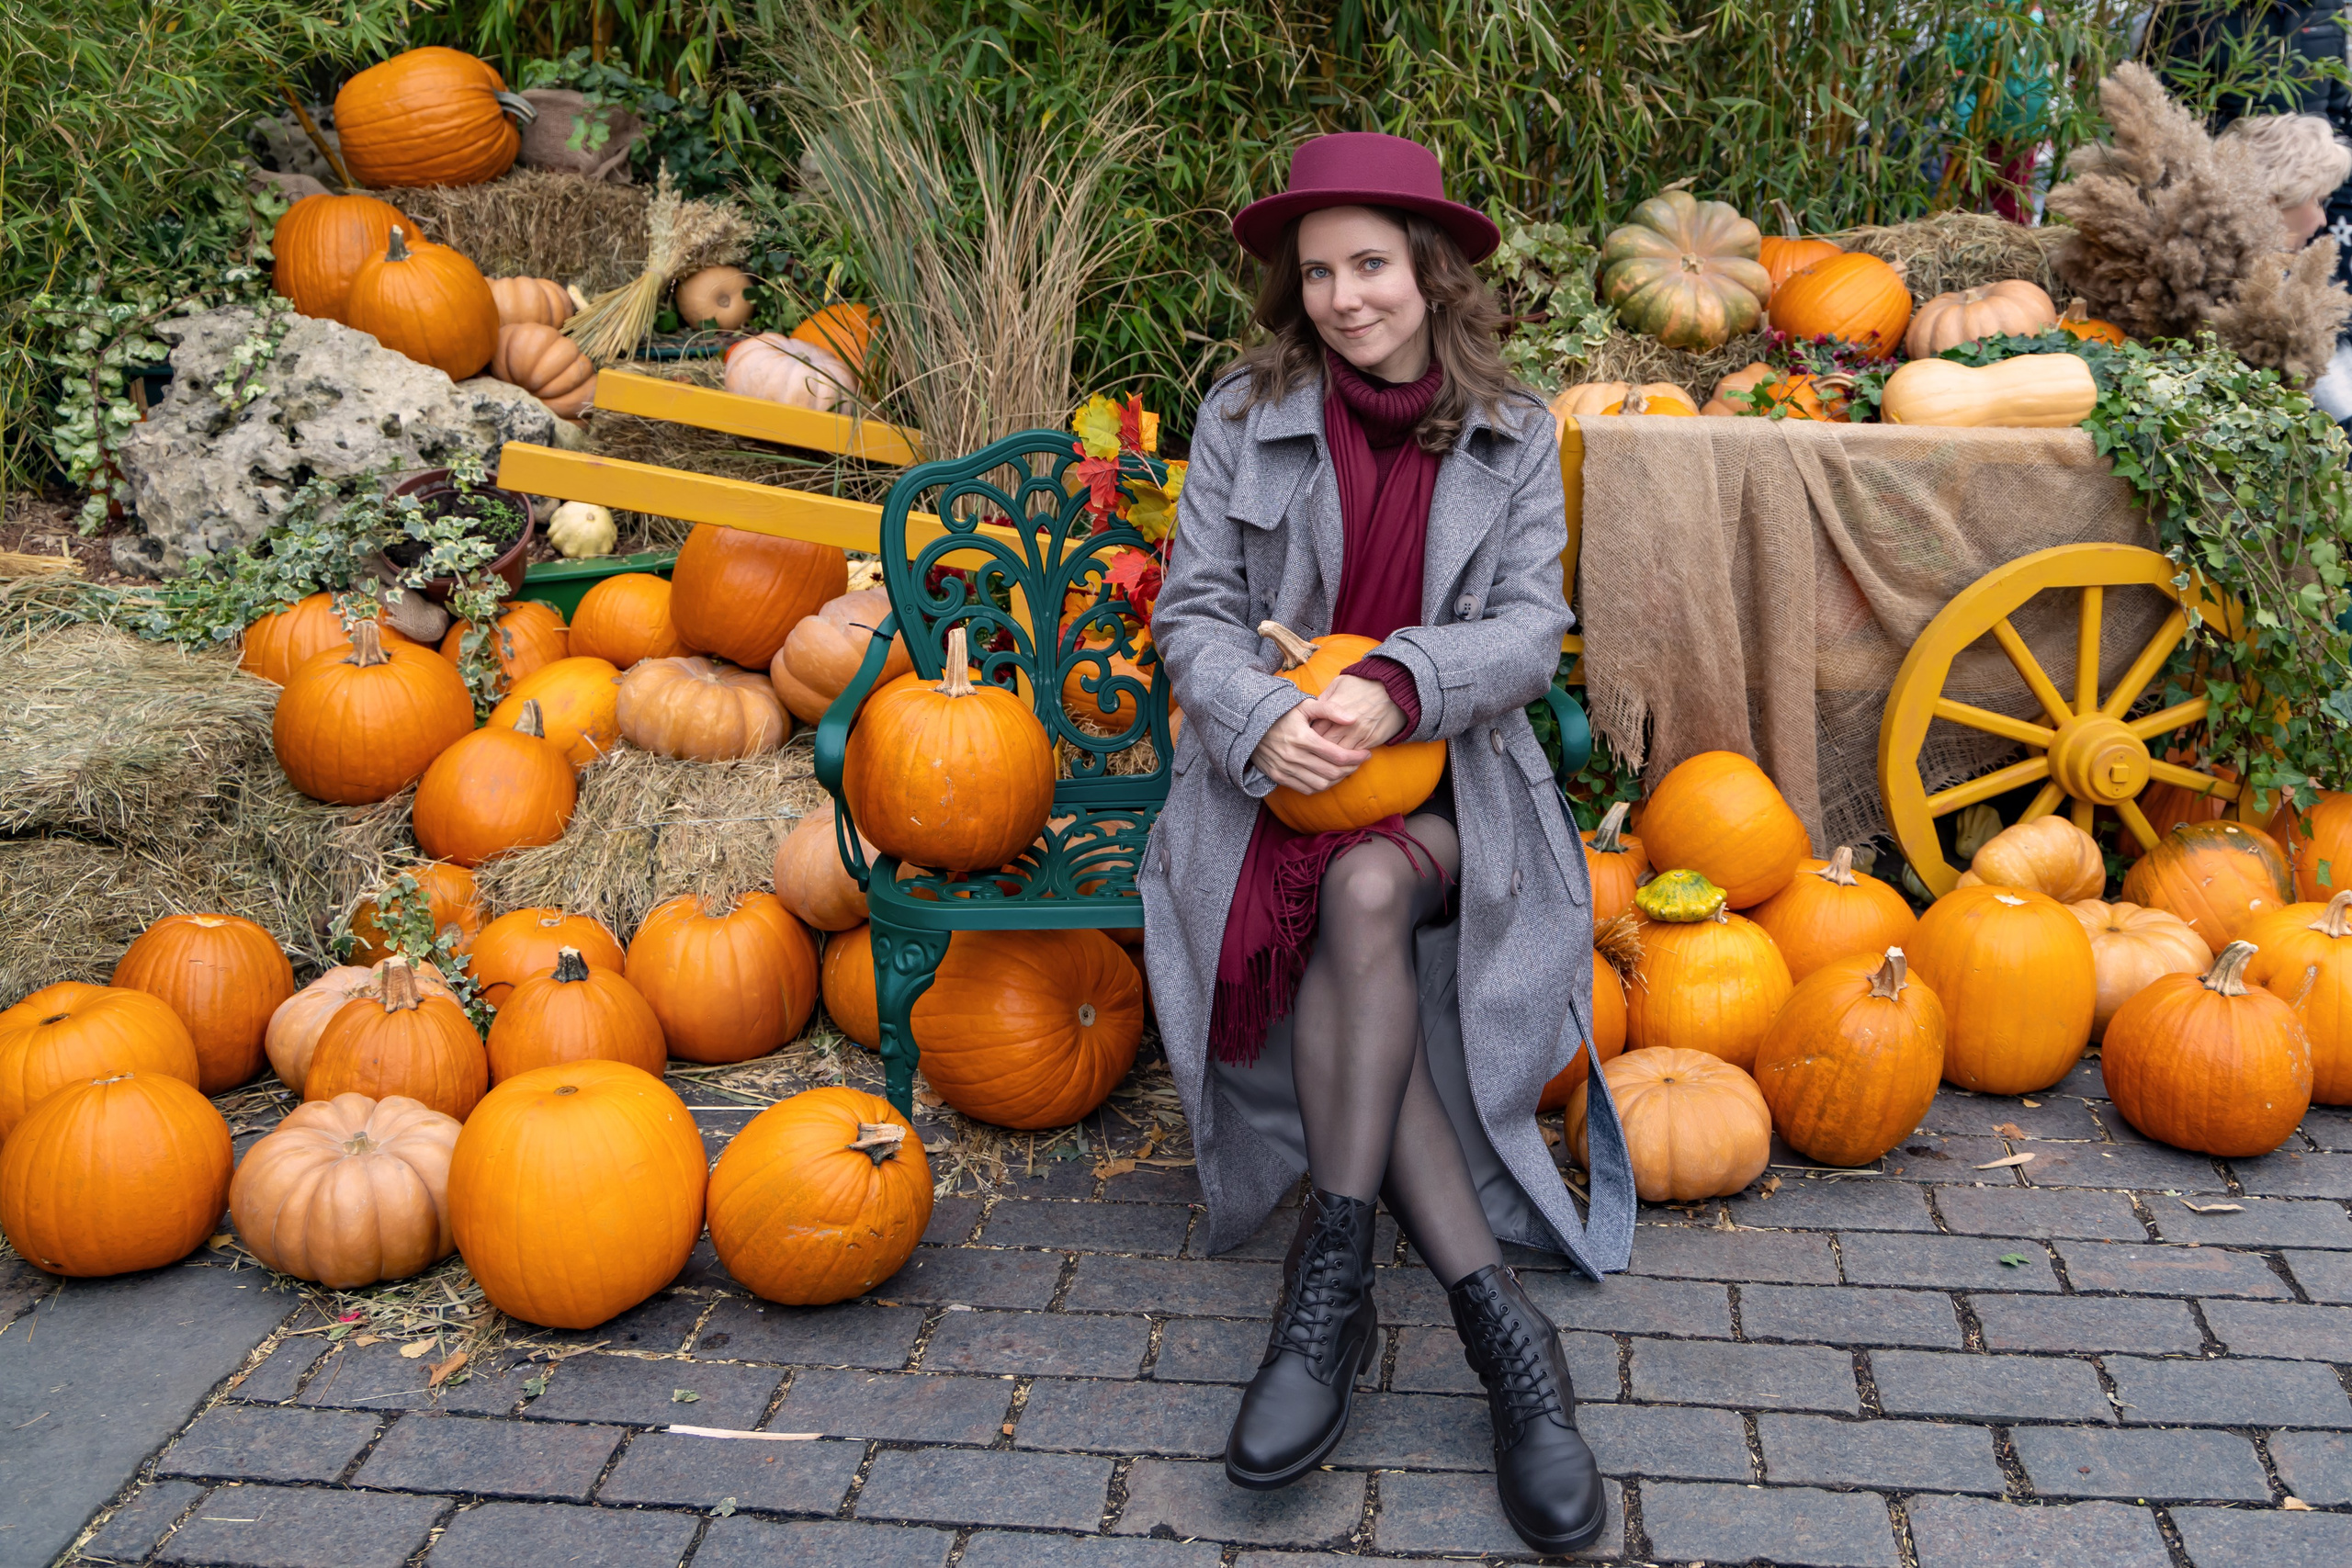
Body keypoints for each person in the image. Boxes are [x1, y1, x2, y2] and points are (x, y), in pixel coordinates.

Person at [1137, 131, 1613, 1556]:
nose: (1347, 296)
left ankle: (1323, 1312)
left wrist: (1403, 677)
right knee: (1353, 891)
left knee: (1372, 879)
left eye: (1373, 265)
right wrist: (1254, 719)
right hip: (1286, 790)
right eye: (1321, 270)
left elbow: (1532, 632)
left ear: (1428, 272)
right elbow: (1192, 613)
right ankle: (1499, 1333)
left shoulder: (1513, 432)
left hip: (1457, 787)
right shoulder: (1246, 416)